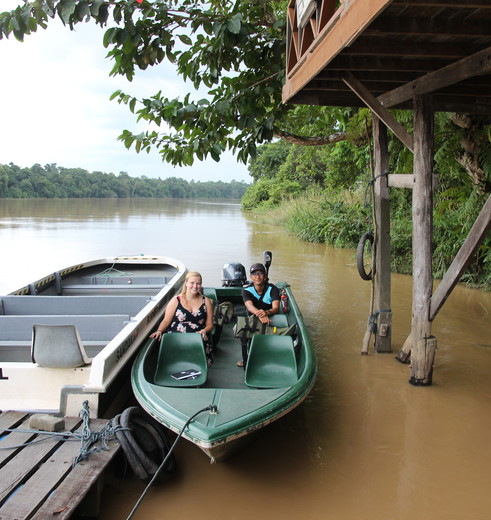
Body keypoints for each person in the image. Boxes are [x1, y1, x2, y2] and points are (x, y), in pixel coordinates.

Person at [150, 271, 214, 365]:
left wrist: (204, 331)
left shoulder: (206, 301)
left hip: (197, 338)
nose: (195, 286)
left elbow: (210, 324)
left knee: (203, 344)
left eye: (198, 283)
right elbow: (166, 321)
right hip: (177, 339)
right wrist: (159, 330)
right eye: (192, 283)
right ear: (186, 283)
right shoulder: (176, 300)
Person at [237, 262, 280, 367]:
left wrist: (266, 312)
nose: (258, 276)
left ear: (265, 276)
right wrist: (260, 314)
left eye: (261, 273)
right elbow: (249, 306)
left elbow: (275, 307)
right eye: (255, 274)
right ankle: (245, 360)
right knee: (242, 333)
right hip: (254, 317)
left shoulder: (272, 289)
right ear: (251, 277)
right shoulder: (246, 290)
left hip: (270, 318)